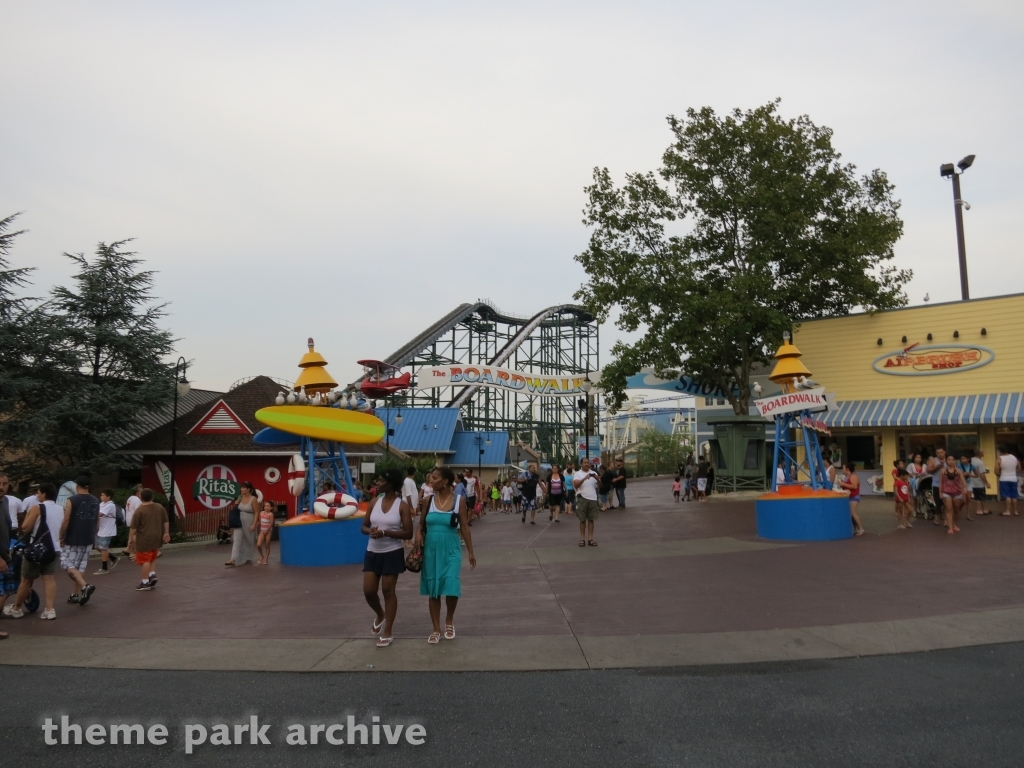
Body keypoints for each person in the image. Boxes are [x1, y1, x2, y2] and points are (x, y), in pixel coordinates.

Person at [415, 467, 476, 643]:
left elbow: (465, 527)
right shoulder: (428, 501)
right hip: (432, 549)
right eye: (431, 478)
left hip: (452, 549)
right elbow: (421, 523)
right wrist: (418, 533)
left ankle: (449, 620)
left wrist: (471, 552)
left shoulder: (459, 501)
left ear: (446, 481)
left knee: (451, 584)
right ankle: (436, 629)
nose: (431, 481)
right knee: (434, 589)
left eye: (435, 478)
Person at [361, 469, 414, 648]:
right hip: (372, 551)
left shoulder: (402, 506)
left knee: (388, 591)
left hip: (392, 552)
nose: (377, 483)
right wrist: (371, 531)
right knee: (369, 590)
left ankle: (388, 631)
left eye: (381, 480)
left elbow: (408, 532)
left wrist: (385, 533)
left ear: (391, 484)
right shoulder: (374, 502)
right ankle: (380, 614)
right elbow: (363, 526)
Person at [10, 483, 62, 619]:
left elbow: (25, 527)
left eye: (38, 492)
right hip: (54, 548)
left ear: (44, 494)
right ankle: (50, 610)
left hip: (37, 550)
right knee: (49, 578)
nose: (37, 495)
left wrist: (28, 515)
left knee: (26, 579)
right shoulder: (60, 509)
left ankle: (17, 608)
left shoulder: (37, 508)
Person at [60, 477, 99, 607]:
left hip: (73, 537)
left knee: (66, 563)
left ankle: (84, 586)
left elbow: (66, 519)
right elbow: (97, 521)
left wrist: (61, 535)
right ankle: (75, 594)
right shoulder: (95, 500)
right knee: (80, 566)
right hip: (88, 537)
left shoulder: (72, 500)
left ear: (77, 486)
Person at [128, 488, 170, 590]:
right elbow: (165, 521)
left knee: (144, 560)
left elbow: (133, 527)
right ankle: (152, 574)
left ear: (141, 497)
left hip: (144, 538)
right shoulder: (159, 507)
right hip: (157, 536)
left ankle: (145, 582)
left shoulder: (140, 510)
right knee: (153, 556)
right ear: (152, 497)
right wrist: (166, 533)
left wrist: (130, 539)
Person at [225, 481, 258, 566]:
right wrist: (236, 503)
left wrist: (254, 524)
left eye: (243, 488)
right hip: (239, 519)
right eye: (241, 487)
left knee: (248, 539)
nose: (241, 489)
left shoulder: (253, 499)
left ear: (248, 489)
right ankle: (233, 559)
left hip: (249, 519)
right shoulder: (240, 497)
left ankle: (248, 558)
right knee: (237, 539)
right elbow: (236, 508)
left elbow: (256, 512)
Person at [573, 458, 601, 547]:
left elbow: (600, 486)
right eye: (585, 463)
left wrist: (598, 479)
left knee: (591, 519)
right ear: (581, 464)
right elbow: (576, 485)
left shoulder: (594, 473)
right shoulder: (577, 474)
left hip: (593, 498)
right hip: (582, 498)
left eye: (588, 463)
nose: (586, 464)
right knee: (582, 520)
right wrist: (584, 478)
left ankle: (590, 539)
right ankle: (582, 539)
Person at [938, 454, 968, 534]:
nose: (951, 461)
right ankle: (950, 526)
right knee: (949, 509)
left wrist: (965, 489)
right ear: (946, 461)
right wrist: (940, 492)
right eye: (949, 460)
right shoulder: (943, 471)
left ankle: (954, 523)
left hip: (957, 492)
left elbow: (963, 480)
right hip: (946, 492)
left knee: (957, 509)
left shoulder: (958, 471)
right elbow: (941, 482)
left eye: (952, 460)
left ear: (954, 461)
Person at [93, 489, 120, 575]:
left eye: (103, 495)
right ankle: (113, 558)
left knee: (104, 548)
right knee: (97, 547)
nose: (101, 497)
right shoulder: (101, 504)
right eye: (101, 495)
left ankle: (104, 568)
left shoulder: (110, 505)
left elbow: (100, 514)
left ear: (108, 497)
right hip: (100, 529)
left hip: (107, 530)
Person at [838, 462, 865, 536]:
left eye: (843, 468)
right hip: (849, 496)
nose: (842, 469)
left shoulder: (853, 476)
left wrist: (843, 484)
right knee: (851, 513)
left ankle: (861, 528)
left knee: (853, 512)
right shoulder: (847, 476)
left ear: (847, 469)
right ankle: (855, 528)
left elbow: (854, 486)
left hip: (854, 496)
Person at [0, 479, 12, 635]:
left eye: (4, 483)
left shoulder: (6, 501)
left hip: (5, 553)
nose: (1, 487)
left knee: (7, 589)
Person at [996, 446, 1020, 517]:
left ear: (1000, 451)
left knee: (1007, 495)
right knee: (1014, 496)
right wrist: (1013, 472)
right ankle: (1015, 511)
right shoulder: (1014, 457)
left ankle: (1008, 511)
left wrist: (1000, 474)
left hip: (1004, 479)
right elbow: (1019, 467)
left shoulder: (999, 459)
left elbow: (996, 471)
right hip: (1013, 478)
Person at [970, 448, 992, 517]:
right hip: (979, 481)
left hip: (971, 480)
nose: (984, 453)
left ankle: (985, 509)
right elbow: (982, 474)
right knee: (980, 496)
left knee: (978, 495)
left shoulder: (971, 460)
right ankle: (978, 509)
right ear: (980, 453)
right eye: (982, 452)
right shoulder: (980, 462)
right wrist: (986, 483)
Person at [122, 485, 142, 559]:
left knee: (133, 535)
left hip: (129, 518)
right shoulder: (137, 500)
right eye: (141, 491)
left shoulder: (130, 498)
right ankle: (131, 550)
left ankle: (130, 551)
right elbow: (138, 511)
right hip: (134, 519)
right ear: (137, 492)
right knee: (137, 535)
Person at [256, 500, 275, 565]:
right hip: (262, 531)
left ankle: (266, 559)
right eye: (265, 506)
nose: (266, 507)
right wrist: (255, 526)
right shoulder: (261, 513)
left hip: (268, 531)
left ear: (271, 508)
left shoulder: (271, 514)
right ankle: (262, 556)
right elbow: (259, 522)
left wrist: (267, 530)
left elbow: (271, 523)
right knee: (258, 545)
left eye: (268, 506)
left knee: (267, 545)